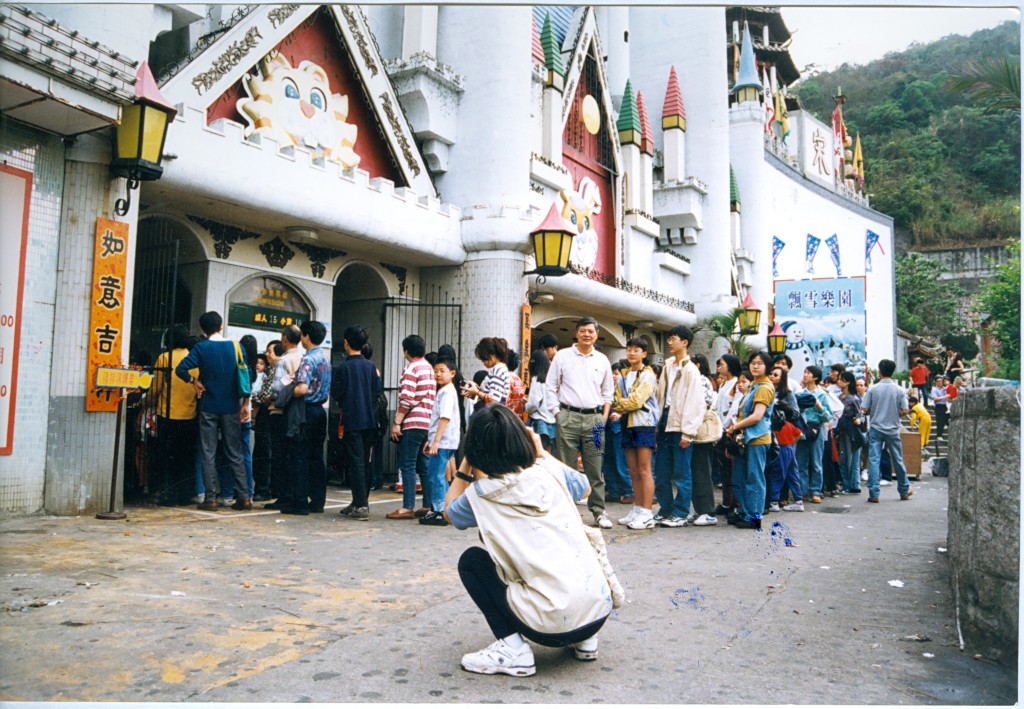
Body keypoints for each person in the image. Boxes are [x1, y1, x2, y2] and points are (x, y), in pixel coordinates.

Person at [444, 406, 612, 676]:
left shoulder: (481, 494)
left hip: (549, 629)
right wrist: (543, 453)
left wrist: (466, 464)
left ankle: (513, 651)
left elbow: (449, 512)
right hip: (596, 614)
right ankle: (584, 641)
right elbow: (585, 487)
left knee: (473, 561)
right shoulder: (548, 471)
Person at [174, 311, 251, 511]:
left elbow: (180, 369)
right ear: (221, 325)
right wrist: (245, 403)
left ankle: (210, 499)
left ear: (203, 329)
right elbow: (247, 375)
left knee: (208, 451)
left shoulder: (201, 347)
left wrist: (195, 382)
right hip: (232, 406)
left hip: (208, 406)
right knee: (235, 451)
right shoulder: (236, 346)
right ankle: (244, 497)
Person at [546, 317, 615, 529]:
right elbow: (550, 387)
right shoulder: (562, 356)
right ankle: (568, 513)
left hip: (595, 420)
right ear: (576, 333)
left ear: (596, 335)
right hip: (568, 416)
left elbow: (608, 393)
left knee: (595, 467)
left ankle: (599, 511)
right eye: (583, 331)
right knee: (566, 468)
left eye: (591, 331)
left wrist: (602, 418)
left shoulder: (602, 360)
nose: (587, 334)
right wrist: (558, 414)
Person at [652, 325, 704, 528]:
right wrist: (656, 425)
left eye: (673, 339)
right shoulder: (667, 367)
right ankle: (666, 509)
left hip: (681, 423)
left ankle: (681, 512)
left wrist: (688, 432)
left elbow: (696, 402)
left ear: (685, 342)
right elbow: (659, 398)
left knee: (681, 471)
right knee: (662, 470)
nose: (669, 342)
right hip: (665, 420)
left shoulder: (691, 370)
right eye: (670, 339)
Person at [332, 325, 383, 521]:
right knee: (364, 461)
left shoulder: (344, 367)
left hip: (352, 420)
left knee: (355, 463)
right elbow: (377, 391)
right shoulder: (371, 366)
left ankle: (360, 505)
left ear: (346, 343)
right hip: (370, 420)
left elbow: (337, 393)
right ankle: (359, 501)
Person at [723, 351, 775, 530]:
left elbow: (757, 416)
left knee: (754, 477)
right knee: (740, 476)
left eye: (760, 363)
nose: (755, 366)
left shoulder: (764, 387)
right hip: (744, 439)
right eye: (753, 362)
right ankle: (745, 512)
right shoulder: (753, 385)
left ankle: (754, 516)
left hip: (757, 439)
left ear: (767, 367)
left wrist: (735, 427)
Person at [387, 334, 436, 519]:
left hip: (413, 422)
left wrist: (397, 422)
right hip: (427, 423)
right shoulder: (429, 368)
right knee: (423, 464)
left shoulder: (411, 369)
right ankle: (427, 504)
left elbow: (406, 399)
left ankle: (407, 506)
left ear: (406, 351)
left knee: (407, 464)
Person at [612, 339, 659, 529]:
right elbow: (616, 398)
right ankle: (638, 508)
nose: (632, 353)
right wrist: (624, 403)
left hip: (644, 424)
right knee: (632, 470)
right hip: (628, 424)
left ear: (644, 354)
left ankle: (647, 513)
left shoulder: (648, 375)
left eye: (636, 350)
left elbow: (637, 401)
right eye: (629, 350)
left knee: (644, 469)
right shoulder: (623, 374)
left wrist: (623, 404)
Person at [288, 320, 332, 515]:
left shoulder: (308, 360)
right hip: (320, 411)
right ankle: (318, 501)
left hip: (305, 411)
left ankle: (299, 502)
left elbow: (302, 388)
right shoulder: (324, 358)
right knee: (316, 457)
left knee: (300, 456)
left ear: (306, 336)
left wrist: (291, 390)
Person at [151, 324, 198, 506]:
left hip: (167, 414)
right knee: (185, 458)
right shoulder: (195, 357)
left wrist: (144, 402)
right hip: (190, 414)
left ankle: (168, 496)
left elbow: (156, 388)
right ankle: (185, 495)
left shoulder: (164, 357)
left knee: (167, 458)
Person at [862, 359, 913, 503]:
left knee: (874, 460)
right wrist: (894, 413)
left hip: (876, 428)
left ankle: (874, 493)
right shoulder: (899, 390)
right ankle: (904, 490)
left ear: (879, 371)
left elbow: (864, 409)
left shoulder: (872, 389)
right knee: (897, 459)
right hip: (893, 429)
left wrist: (875, 411)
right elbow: (905, 410)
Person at [266, 327, 305, 510]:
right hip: (296, 412)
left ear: (284, 339)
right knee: (293, 456)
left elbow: (276, 390)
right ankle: (292, 494)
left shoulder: (283, 360)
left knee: (279, 456)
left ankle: (282, 496)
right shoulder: (302, 358)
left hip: (279, 412)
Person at [420, 357, 461, 526]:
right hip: (444, 441)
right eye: (435, 371)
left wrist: (435, 441)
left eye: (442, 371)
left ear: (452, 373)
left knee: (436, 475)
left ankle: (438, 511)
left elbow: (444, 418)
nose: (438, 374)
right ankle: (444, 509)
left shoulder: (446, 392)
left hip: (443, 442)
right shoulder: (446, 390)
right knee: (439, 475)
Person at [688, 353, 720, 526]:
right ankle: (700, 509)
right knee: (695, 470)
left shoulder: (701, 380)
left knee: (701, 470)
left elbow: (700, 403)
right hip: (693, 430)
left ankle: (707, 510)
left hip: (700, 431)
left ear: (698, 365)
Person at [767, 366, 803, 512]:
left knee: (781, 471)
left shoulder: (787, 394)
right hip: (777, 436)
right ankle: (796, 499)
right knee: (788, 471)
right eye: (771, 373)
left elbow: (795, 414)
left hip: (782, 437)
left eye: (775, 375)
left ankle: (775, 500)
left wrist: (784, 409)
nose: (772, 376)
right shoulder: (766, 389)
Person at [795, 366, 832, 505]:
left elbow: (828, 416)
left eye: (808, 373)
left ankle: (816, 491)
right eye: (804, 372)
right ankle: (803, 491)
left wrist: (819, 406)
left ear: (815, 377)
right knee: (801, 461)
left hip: (816, 428)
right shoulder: (800, 393)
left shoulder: (822, 394)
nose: (805, 375)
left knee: (816, 462)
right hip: (802, 428)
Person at [712, 354, 742, 517]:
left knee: (732, 469)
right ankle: (726, 502)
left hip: (730, 431)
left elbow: (734, 409)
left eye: (721, 365)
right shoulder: (724, 384)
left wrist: (724, 428)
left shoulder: (737, 384)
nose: (719, 368)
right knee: (724, 469)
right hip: (721, 431)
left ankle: (735, 503)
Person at [603, 360, 634, 506]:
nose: (614, 377)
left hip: (617, 427)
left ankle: (628, 491)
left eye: (616, 374)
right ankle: (613, 491)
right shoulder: (607, 387)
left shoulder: (626, 389)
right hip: (603, 425)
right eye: (612, 374)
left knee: (620, 459)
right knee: (605, 459)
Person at [461, 337, 511, 412]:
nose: (482, 362)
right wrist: (477, 389)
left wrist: (477, 392)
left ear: (492, 357)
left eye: (484, 359)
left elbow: (494, 400)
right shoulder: (501, 368)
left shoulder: (497, 370)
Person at [834, 371, 865, 496]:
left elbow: (861, 415)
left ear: (847, 382)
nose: (838, 381)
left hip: (852, 432)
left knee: (852, 459)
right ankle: (847, 484)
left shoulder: (853, 398)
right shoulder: (839, 397)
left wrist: (858, 420)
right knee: (843, 459)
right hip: (842, 431)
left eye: (841, 379)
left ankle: (854, 485)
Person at [525, 349, 558, 451]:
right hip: (552, 421)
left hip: (539, 421)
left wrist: (526, 406)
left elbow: (533, 404)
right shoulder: (552, 379)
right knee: (548, 452)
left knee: (537, 451)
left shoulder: (537, 379)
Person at [931, 375, 949, 440]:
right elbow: (935, 398)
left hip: (945, 406)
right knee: (940, 421)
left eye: (941, 381)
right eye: (938, 381)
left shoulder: (945, 389)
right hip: (938, 406)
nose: (940, 382)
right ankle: (939, 435)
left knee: (948, 420)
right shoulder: (934, 390)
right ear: (936, 382)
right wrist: (944, 397)